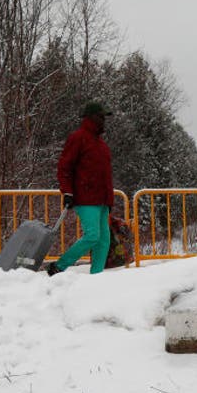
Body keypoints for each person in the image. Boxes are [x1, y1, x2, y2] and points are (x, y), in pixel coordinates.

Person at [48, 101, 114, 276]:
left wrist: (109, 200)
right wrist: (67, 191)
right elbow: (64, 167)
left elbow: (105, 174)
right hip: (85, 198)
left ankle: (96, 276)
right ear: (90, 117)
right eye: (101, 116)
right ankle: (59, 266)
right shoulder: (78, 138)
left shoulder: (101, 144)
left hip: (102, 200)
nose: (103, 120)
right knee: (92, 236)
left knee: (103, 241)